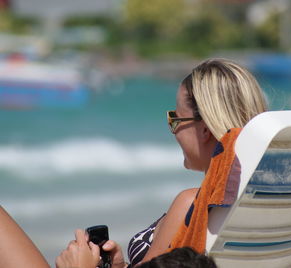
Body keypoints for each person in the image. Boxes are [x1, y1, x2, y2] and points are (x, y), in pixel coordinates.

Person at [0, 58, 268, 268]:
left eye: (175, 119)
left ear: (205, 130)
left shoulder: (192, 204)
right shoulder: (262, 204)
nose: (172, 129)